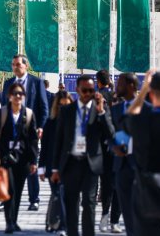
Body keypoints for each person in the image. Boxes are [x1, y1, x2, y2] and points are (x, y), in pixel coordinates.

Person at [51, 75, 115, 236]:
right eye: (85, 90)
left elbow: (111, 135)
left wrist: (101, 113)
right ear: (78, 90)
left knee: (89, 203)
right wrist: (54, 168)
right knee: (71, 203)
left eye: (91, 90)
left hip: (91, 164)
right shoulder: (67, 111)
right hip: (71, 163)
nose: (88, 93)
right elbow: (58, 141)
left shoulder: (100, 109)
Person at [1, 54, 48, 211]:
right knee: (7, 163)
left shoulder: (36, 82)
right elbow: (3, 106)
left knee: (30, 162)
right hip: (10, 130)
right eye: (13, 64)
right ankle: (5, 197)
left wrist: (40, 126)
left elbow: (43, 107)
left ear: (26, 66)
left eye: (18, 64)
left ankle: (34, 198)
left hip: (29, 129)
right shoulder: (8, 83)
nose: (15, 67)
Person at [125, 70, 160, 235]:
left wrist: (144, 88)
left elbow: (131, 114)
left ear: (151, 94)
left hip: (147, 191)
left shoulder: (143, 121)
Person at [0, 82, 38, 233]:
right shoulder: (1, 113)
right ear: (9, 96)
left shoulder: (28, 114)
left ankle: (14, 220)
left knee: (19, 191)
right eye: (15, 94)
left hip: (22, 159)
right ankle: (9, 222)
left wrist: (34, 161)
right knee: (10, 190)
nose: (18, 97)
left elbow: (33, 140)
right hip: (6, 158)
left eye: (21, 94)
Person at [39, 90, 72, 236]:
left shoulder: (74, 123)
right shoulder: (50, 123)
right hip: (53, 166)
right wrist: (41, 167)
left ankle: (62, 224)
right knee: (58, 194)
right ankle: (61, 225)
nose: (63, 109)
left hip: (71, 166)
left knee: (65, 196)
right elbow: (45, 147)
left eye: (67, 106)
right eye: (60, 106)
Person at [111, 73, 139, 236]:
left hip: (141, 167)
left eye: (120, 83)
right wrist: (113, 145)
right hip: (121, 166)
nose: (117, 86)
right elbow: (109, 132)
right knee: (127, 213)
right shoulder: (115, 109)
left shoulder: (146, 107)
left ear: (131, 86)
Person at [95, 69, 120, 232]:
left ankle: (105, 214)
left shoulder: (99, 97)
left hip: (102, 146)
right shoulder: (117, 97)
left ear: (98, 81)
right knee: (116, 185)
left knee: (106, 184)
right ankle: (114, 220)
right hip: (118, 144)